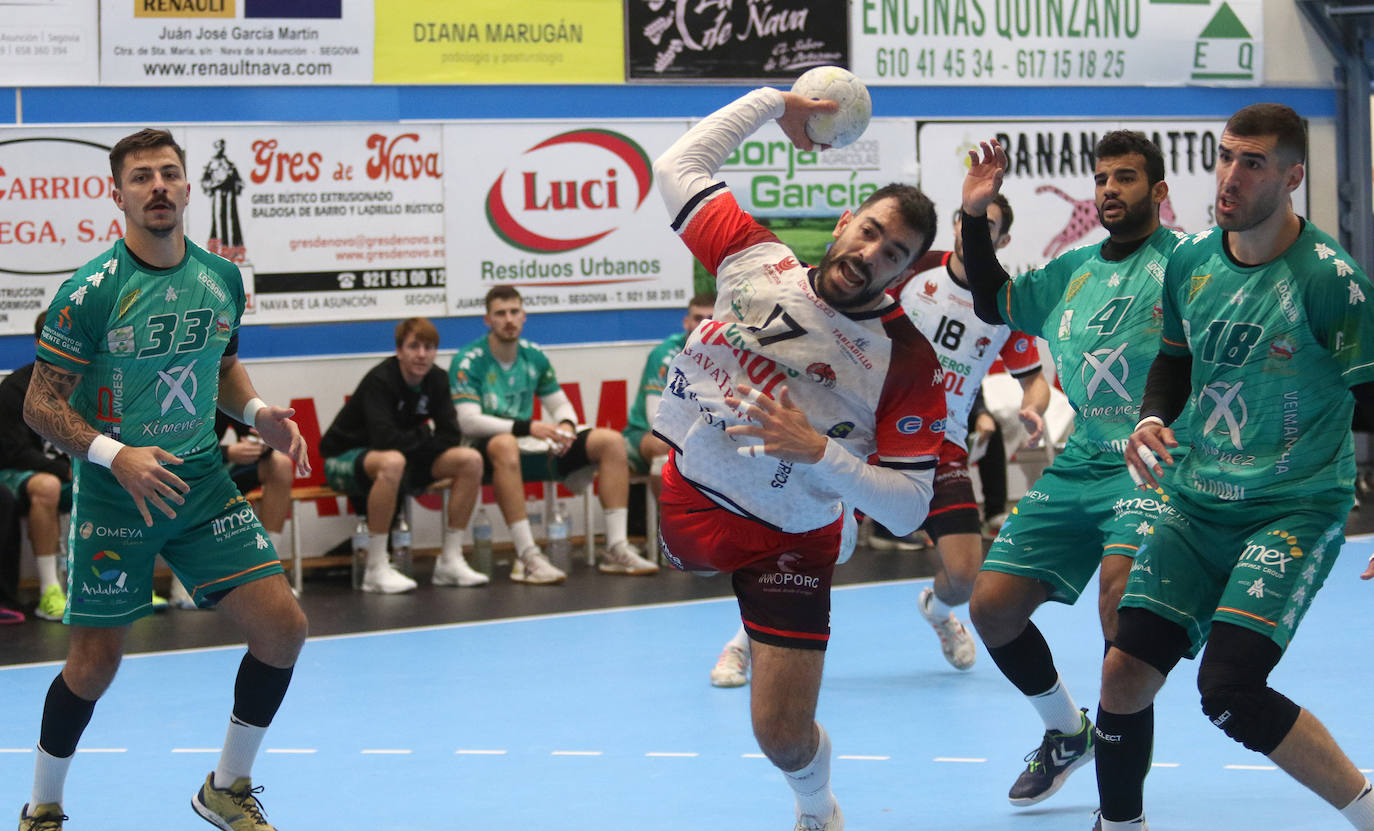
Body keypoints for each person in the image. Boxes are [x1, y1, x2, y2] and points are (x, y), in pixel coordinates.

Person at [653, 84, 946, 830]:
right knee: (676, 553)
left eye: (895, 253)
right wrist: (768, 102)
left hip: (791, 533)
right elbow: (677, 165)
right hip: (692, 493)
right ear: (846, 222)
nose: (873, 254)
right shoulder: (755, 256)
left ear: (905, 273)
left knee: (780, 734)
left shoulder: (904, 359)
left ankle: (819, 810)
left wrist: (819, 453)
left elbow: (912, 508)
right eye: (871, 231)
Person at [16, 127, 310, 831]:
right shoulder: (89, 293)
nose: (158, 186)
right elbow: (39, 402)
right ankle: (42, 806)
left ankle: (226, 787)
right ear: (116, 192)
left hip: (201, 480)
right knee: (93, 664)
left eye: (169, 173)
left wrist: (259, 411)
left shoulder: (220, 276)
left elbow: (222, 363)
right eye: (142, 176)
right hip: (118, 490)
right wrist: (117, 454)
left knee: (283, 628)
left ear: (187, 187)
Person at [1100, 104, 1374, 831]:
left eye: (1253, 162)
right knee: (1124, 672)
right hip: (1196, 503)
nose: (1231, 175)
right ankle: (1120, 824)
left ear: (1292, 176)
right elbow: (1174, 358)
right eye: (1225, 156)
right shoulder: (1189, 261)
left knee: (1229, 689)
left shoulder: (1328, 281)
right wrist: (1153, 416)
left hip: (1292, 506)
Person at [707, 197, 1050, 687]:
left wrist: (1033, 404)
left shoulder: (1005, 304)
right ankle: (743, 644)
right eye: (965, 220)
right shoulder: (910, 270)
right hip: (870, 429)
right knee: (824, 550)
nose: (970, 230)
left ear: (1003, 241)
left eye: (986, 226)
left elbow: (1033, 378)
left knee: (965, 575)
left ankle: (935, 611)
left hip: (942, 443)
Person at [958, 130, 1189, 808]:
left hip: (1151, 463)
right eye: (1103, 178)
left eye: (1126, 177)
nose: (1110, 189)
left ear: (1159, 191)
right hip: (1080, 457)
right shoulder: (1074, 269)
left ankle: (1122, 807)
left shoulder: (1189, 266)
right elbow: (990, 299)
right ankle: (1065, 732)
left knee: (1119, 610)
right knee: (992, 608)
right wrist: (975, 213)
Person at [449, 286, 660, 585]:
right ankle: (528, 556)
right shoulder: (469, 359)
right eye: (500, 314)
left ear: (523, 316)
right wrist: (527, 426)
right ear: (487, 320)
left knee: (609, 441)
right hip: (487, 450)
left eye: (514, 312)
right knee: (506, 443)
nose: (508, 319)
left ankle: (616, 548)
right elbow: (468, 422)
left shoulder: (533, 355)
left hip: (528, 444)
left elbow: (560, 404)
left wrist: (566, 426)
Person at [319, 317, 485, 594]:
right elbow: (384, 439)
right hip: (344, 455)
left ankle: (451, 560)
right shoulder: (380, 379)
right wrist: (423, 438)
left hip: (400, 455)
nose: (422, 354)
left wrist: (422, 441)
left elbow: (450, 436)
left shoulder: (438, 379)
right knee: (392, 461)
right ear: (399, 351)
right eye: (414, 346)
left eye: (429, 347)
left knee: (470, 460)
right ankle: (375, 567)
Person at [165, 410, 296, 609]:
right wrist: (228, 452)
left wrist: (259, 444)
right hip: (173, 469)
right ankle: (186, 584)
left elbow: (251, 431)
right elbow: (172, 448)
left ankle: (268, 573)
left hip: (213, 466)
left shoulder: (220, 387)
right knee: (188, 476)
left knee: (280, 465)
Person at [0, 312, 73, 622]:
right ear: (38, 343)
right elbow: (13, 452)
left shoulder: (92, 384)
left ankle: (124, 583)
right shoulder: (16, 388)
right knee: (47, 486)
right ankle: (50, 591)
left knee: (124, 476)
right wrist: (65, 471)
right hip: (21, 475)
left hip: (76, 471)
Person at [624, 291, 716, 489]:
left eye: (710, 319)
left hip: (701, 432)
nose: (703, 325)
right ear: (686, 323)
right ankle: (667, 518)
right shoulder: (665, 355)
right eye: (698, 318)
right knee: (664, 447)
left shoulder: (729, 354)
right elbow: (657, 421)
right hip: (644, 434)